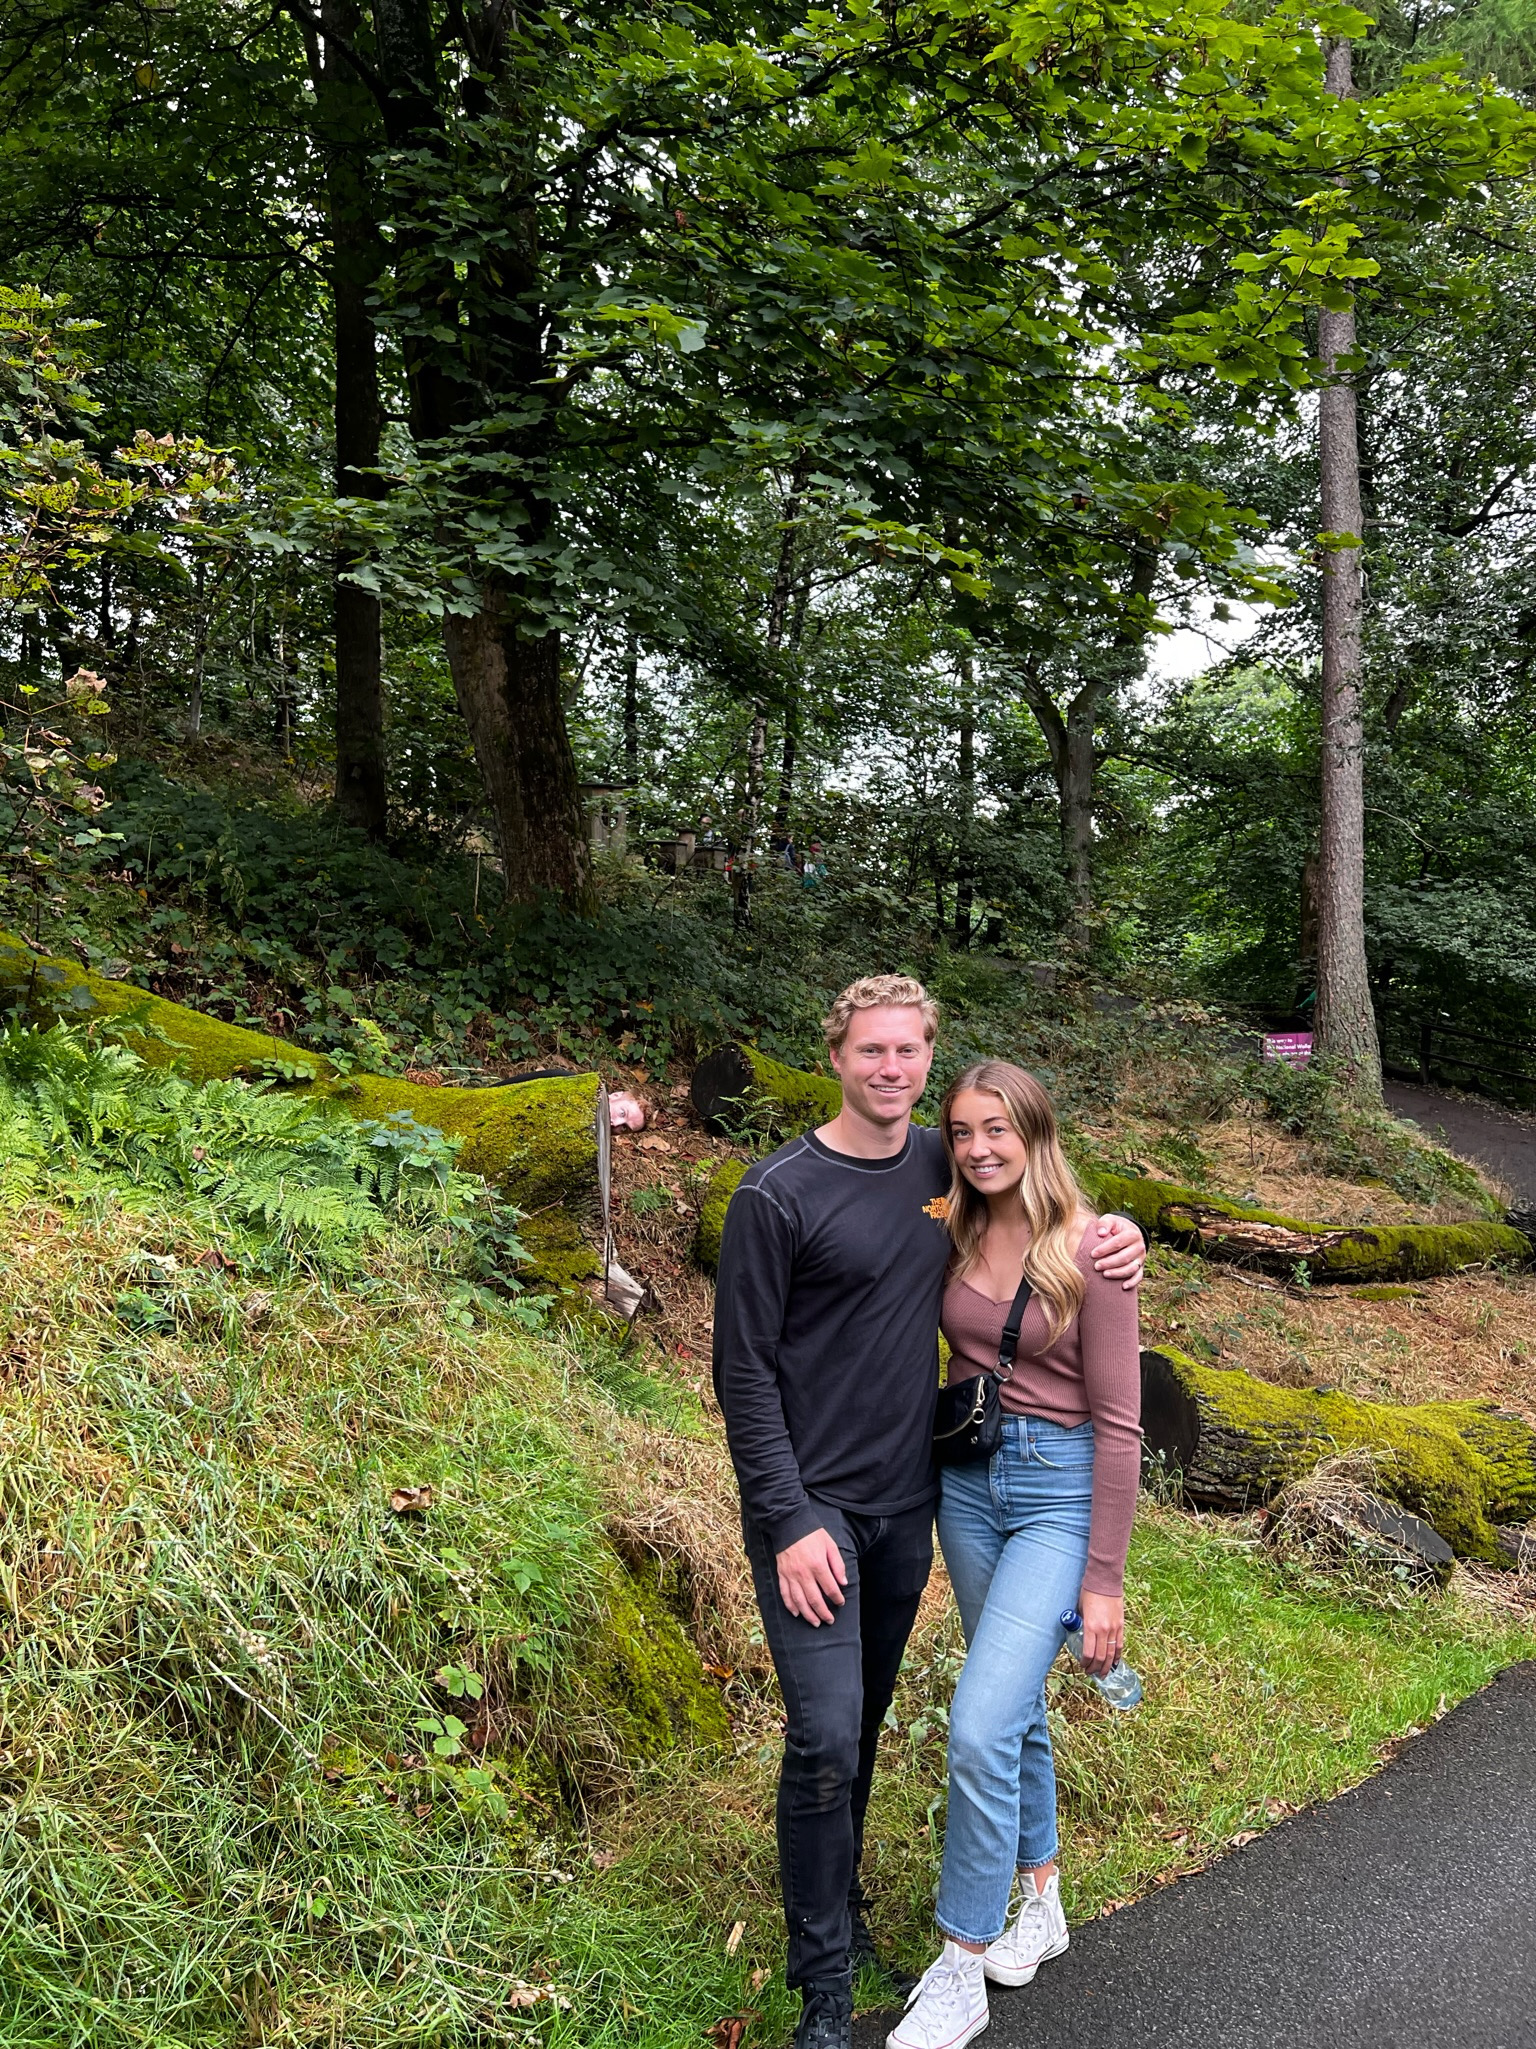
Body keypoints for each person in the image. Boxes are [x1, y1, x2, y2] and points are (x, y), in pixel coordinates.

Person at [711, 979, 1146, 2049]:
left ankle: (918, 1910)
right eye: (871, 1050)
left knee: (886, 1720)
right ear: (836, 1056)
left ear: (928, 1059)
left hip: (917, 1501)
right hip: (814, 1513)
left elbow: (1038, 1204)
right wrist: (786, 1518)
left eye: (909, 1051)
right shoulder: (776, 1193)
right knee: (825, 1734)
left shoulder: (939, 1172)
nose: (891, 1068)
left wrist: (1120, 1236)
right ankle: (828, 1980)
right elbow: (742, 1372)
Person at [886, 1061, 1142, 2049]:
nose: (978, 1147)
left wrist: (1104, 1582)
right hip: (966, 1485)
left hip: (1056, 1495)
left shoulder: (1093, 1251)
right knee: (1015, 1702)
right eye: (962, 1131)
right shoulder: (950, 1222)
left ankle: (961, 1964)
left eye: (998, 1129)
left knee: (979, 1723)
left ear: (1036, 1133)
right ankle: (1043, 1897)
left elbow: (1121, 1428)